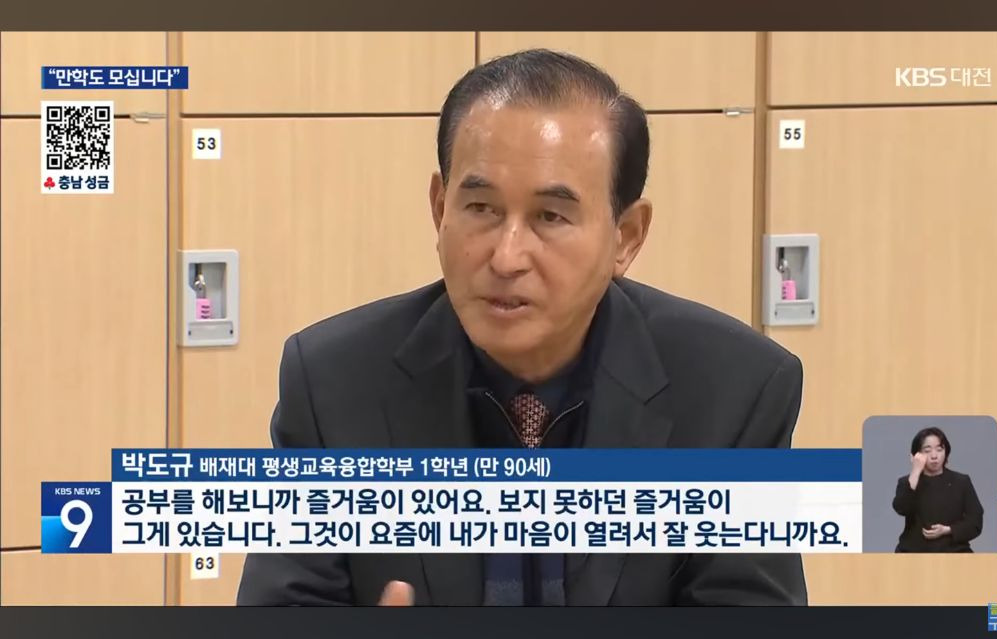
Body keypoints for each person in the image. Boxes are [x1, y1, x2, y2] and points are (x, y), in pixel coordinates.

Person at [236, 49, 807, 606]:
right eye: (481, 208)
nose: (507, 257)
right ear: (439, 209)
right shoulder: (333, 384)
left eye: (550, 216)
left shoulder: (733, 394)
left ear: (626, 236)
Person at [892, 427, 984, 552]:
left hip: (954, 551)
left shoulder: (961, 481)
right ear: (916, 455)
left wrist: (948, 530)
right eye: (927, 450)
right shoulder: (907, 482)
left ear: (946, 452)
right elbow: (901, 508)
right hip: (913, 552)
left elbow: (975, 522)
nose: (934, 456)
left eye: (939, 449)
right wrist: (915, 471)